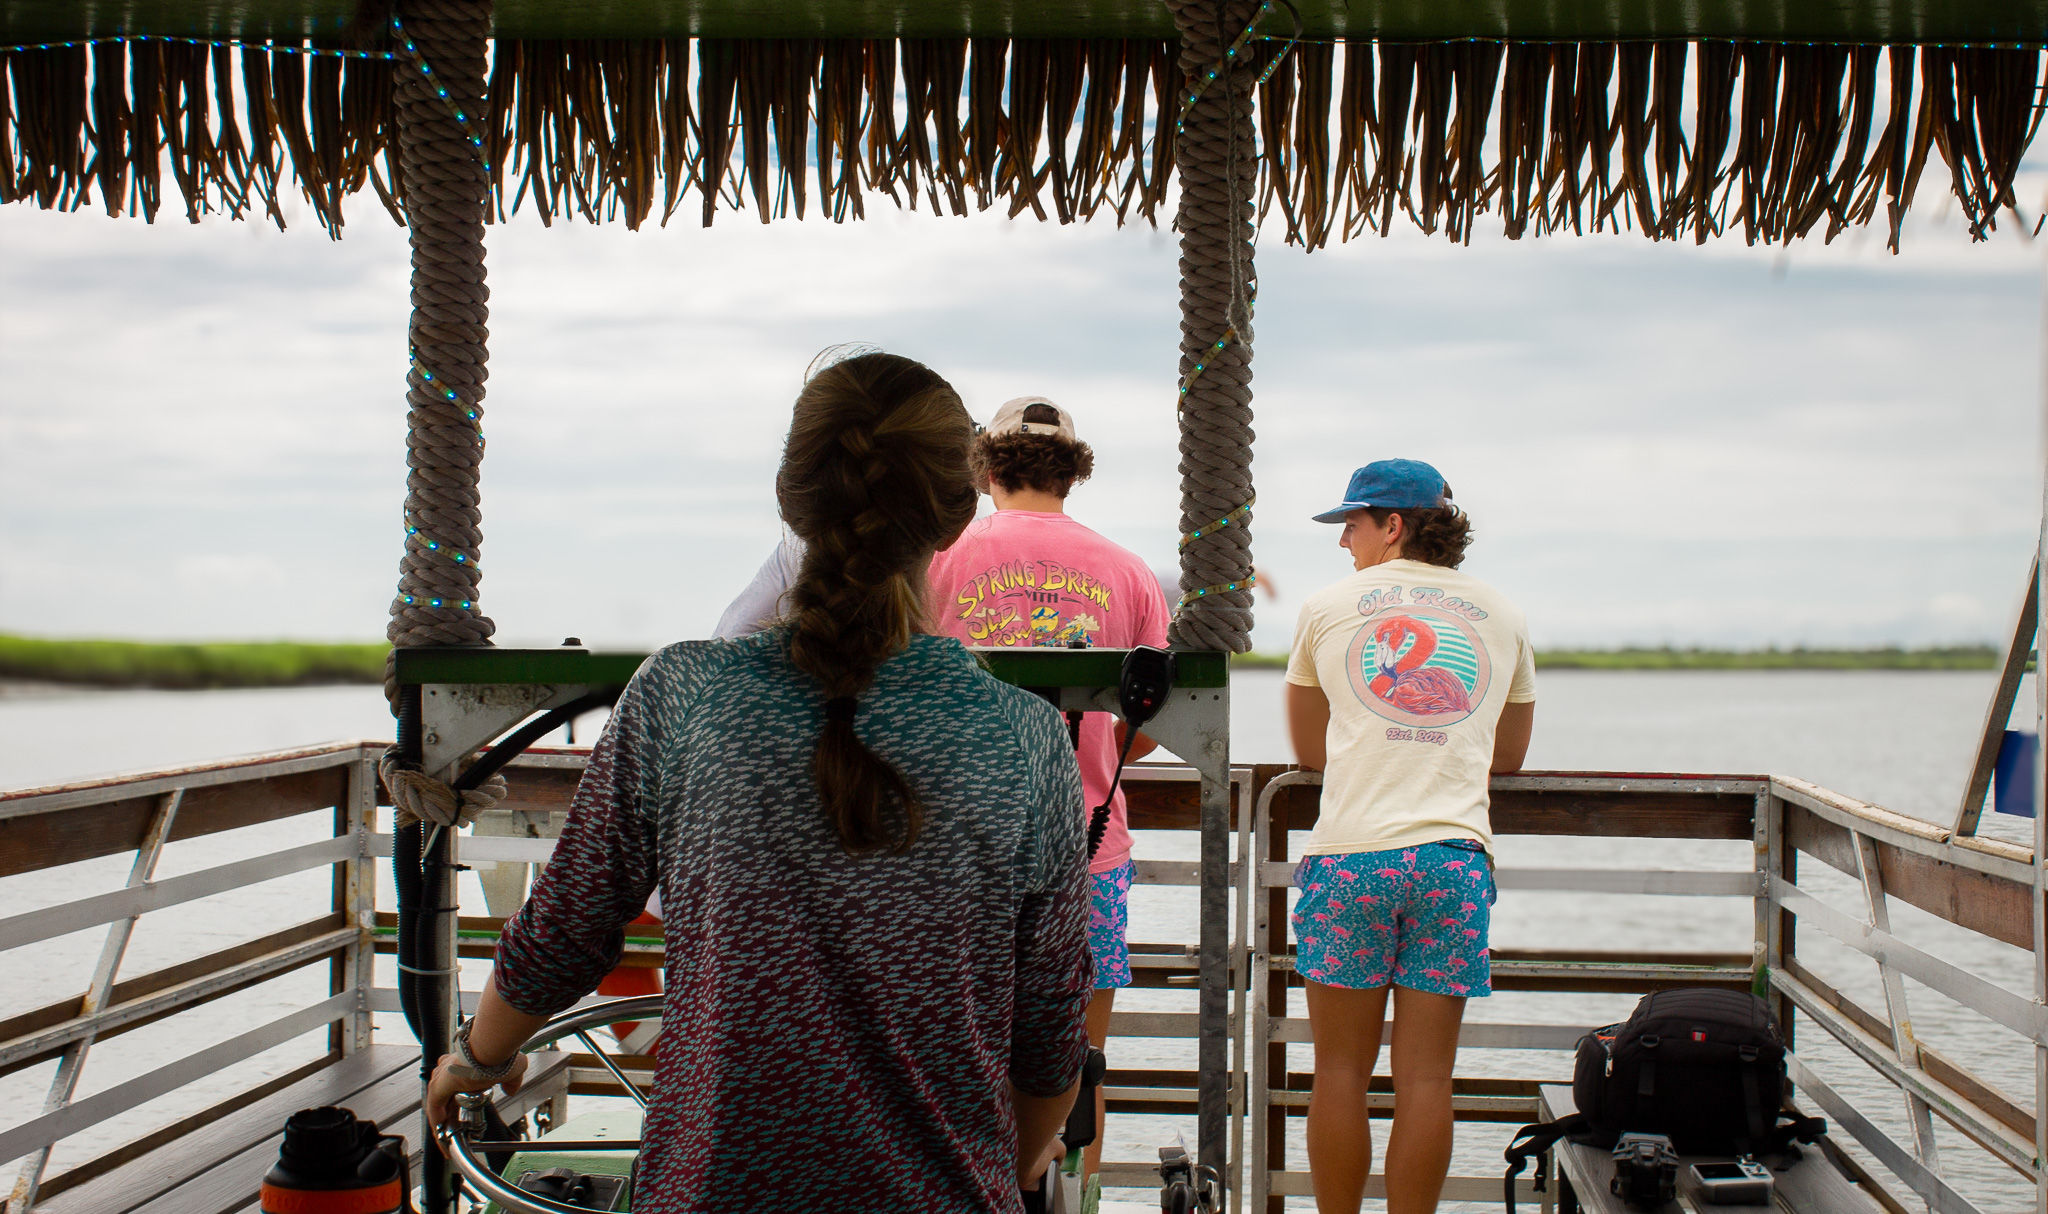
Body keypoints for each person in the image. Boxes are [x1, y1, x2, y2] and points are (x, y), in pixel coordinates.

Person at [424, 351, 1096, 1211]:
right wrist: (1018, 1160)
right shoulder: (1027, 739)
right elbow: (1048, 1040)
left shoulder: (682, 694)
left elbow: (566, 925)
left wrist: (478, 1058)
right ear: (954, 515)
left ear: (791, 496)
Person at [926, 396, 1172, 1184]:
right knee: (1082, 1057)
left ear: (986, 467)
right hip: (1087, 851)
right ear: (1072, 472)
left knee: (951, 1050)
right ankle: (1073, 1196)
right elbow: (1154, 725)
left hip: (950, 852)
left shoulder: (938, 558)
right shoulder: (1129, 572)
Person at [1284, 459, 1535, 1214]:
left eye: (1352, 526)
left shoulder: (1328, 607)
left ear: (1393, 525)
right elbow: (1509, 757)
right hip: (1451, 862)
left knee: (1338, 1077)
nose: (1343, 544)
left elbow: (1307, 751)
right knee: (1428, 1079)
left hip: (1352, 860)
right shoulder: (1503, 612)